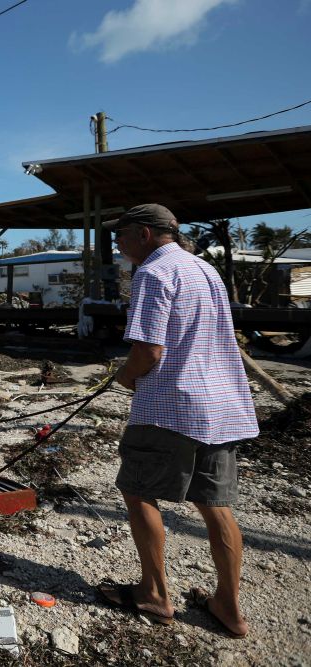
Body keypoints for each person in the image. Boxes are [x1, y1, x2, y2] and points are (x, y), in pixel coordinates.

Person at [98, 203, 258, 638]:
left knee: (137, 492)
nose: (117, 242)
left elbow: (149, 350)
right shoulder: (204, 269)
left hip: (171, 405)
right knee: (215, 506)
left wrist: (124, 378)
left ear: (145, 235)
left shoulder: (152, 273)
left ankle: (153, 594)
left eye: (121, 234)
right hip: (221, 406)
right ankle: (228, 606)